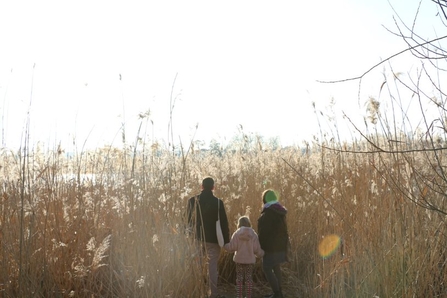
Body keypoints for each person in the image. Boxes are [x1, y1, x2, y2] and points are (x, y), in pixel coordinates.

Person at [187, 177, 230, 298]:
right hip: (214, 239)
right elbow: (224, 223)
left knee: (197, 266)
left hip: (197, 238)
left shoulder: (192, 200)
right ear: (213, 187)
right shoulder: (218, 202)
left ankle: (197, 291)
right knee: (212, 267)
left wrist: (189, 235)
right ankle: (214, 294)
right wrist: (226, 241)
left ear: (201, 186)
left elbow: (187, 220)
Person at [257, 189, 289, 298]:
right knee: (276, 267)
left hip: (271, 249)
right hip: (281, 247)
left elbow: (263, 235)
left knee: (267, 268)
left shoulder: (266, 215)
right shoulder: (279, 213)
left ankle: (277, 293)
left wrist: (261, 248)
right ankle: (279, 292)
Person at [224, 216, 264, 298]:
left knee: (239, 278)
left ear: (239, 224)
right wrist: (262, 253)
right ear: (249, 224)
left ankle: (239, 296)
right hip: (249, 261)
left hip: (239, 260)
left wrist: (224, 245)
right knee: (249, 278)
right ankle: (248, 296)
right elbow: (256, 249)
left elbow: (232, 247)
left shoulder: (237, 233)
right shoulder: (253, 234)